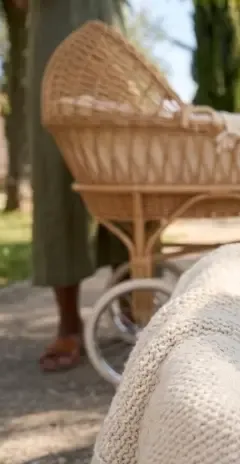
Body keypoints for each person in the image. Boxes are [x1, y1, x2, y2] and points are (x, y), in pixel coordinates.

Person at [21, 0, 132, 371]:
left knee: (123, 160)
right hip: (51, 25)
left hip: (108, 24)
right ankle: (68, 319)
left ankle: (131, 296)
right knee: (55, 165)